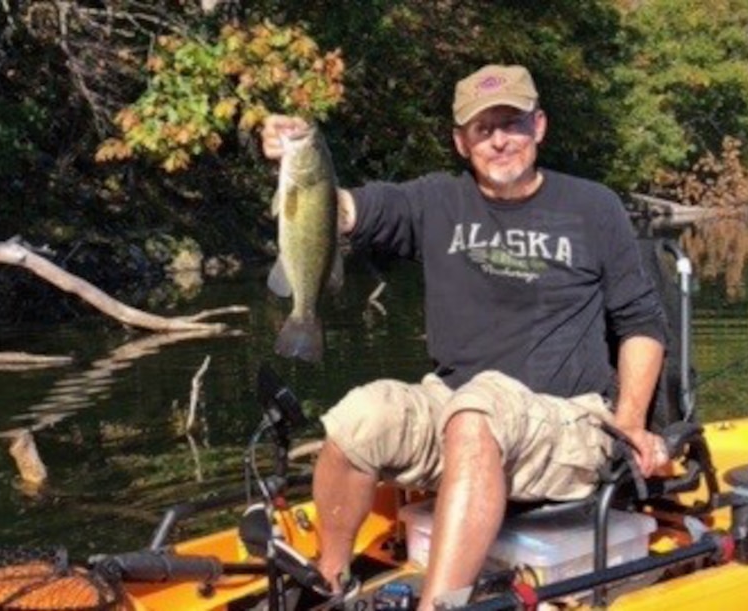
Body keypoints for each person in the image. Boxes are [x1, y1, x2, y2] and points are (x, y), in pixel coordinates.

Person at [261, 64, 669, 610]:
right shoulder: (435, 202)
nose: (500, 140)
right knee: (362, 414)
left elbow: (641, 320)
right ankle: (330, 583)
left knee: (477, 413)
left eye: (513, 123)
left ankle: (439, 606)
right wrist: (293, 157)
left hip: (567, 419)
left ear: (539, 126)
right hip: (457, 407)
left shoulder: (593, 207)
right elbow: (342, 209)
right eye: (483, 128)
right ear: (461, 142)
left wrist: (632, 423)